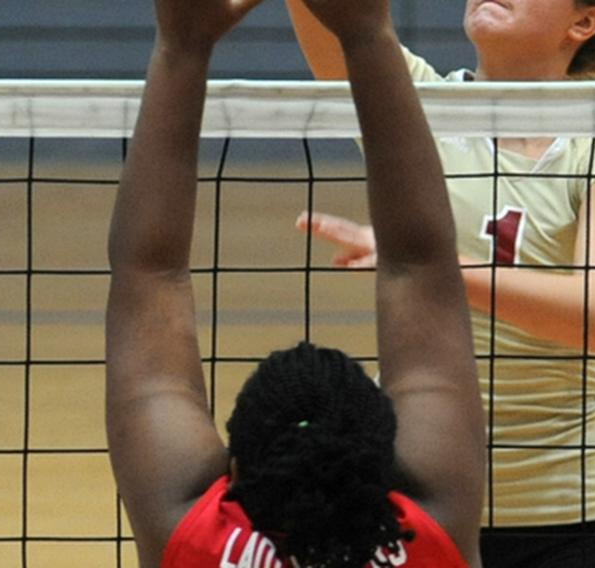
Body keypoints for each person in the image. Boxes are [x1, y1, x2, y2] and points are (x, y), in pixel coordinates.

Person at [287, 1, 595, 566]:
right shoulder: (415, 104)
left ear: (582, 23)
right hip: (407, 505)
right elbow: (335, 20)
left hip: (557, 519)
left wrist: (432, 263)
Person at [104, 0, 485, 566]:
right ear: (388, 463)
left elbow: (149, 274)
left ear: (233, 469)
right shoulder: (432, 533)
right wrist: (368, 32)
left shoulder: (190, 540)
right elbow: (422, 264)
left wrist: (180, 46)